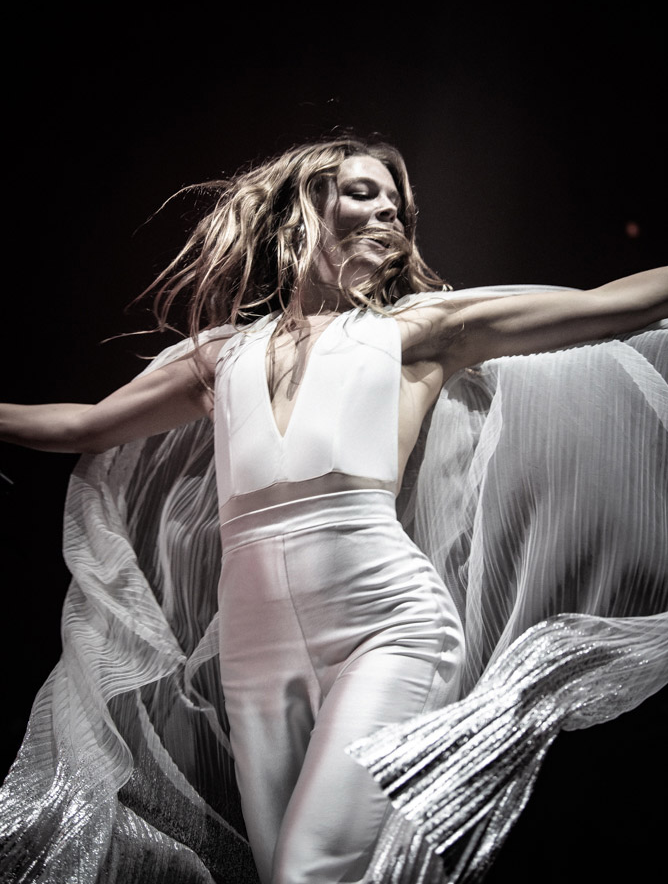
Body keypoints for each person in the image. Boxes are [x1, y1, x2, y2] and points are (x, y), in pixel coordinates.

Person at [0, 136, 666, 884]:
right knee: (289, 872)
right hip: (252, 654)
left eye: (398, 205)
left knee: (309, 870)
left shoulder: (417, 331)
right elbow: (81, 426)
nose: (389, 211)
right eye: (363, 192)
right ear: (306, 207)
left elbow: (617, 304)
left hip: (389, 624)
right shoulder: (222, 355)